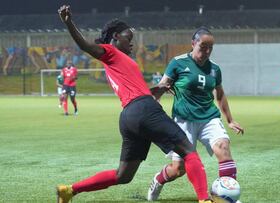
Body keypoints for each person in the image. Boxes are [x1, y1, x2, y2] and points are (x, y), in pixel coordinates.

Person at [56, 5, 213, 203]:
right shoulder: (109, 51)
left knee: (123, 175)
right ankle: (204, 199)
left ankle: (69, 190)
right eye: (128, 38)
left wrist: (159, 88)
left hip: (130, 116)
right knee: (188, 150)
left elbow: (138, 91)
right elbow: (86, 46)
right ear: (114, 37)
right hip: (144, 109)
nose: (131, 44)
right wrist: (69, 22)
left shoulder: (119, 60)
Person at [147, 26, 244, 201]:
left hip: (209, 118)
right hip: (183, 120)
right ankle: (158, 180)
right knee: (178, 169)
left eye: (210, 48)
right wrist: (150, 109)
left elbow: (219, 94)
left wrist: (230, 120)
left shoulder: (215, 69)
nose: (207, 51)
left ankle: (227, 197)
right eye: (203, 47)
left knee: (223, 148)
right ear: (193, 43)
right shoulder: (178, 62)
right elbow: (161, 87)